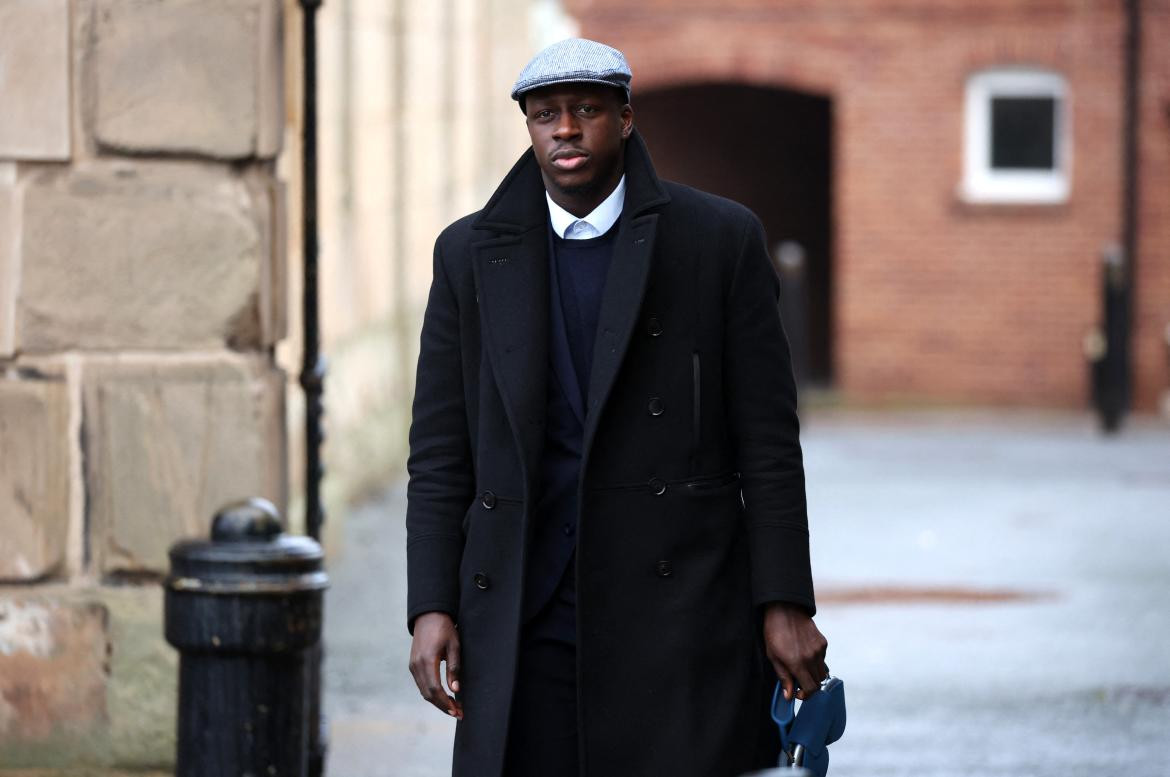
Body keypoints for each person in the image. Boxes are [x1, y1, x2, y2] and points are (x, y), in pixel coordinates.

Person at [406, 37, 828, 777]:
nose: (564, 129)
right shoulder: (469, 254)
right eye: (545, 115)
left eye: (585, 111)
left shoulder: (718, 241)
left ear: (626, 119)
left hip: (678, 612)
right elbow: (441, 454)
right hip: (524, 614)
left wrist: (786, 599)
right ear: (529, 128)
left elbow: (767, 441)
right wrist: (430, 604)